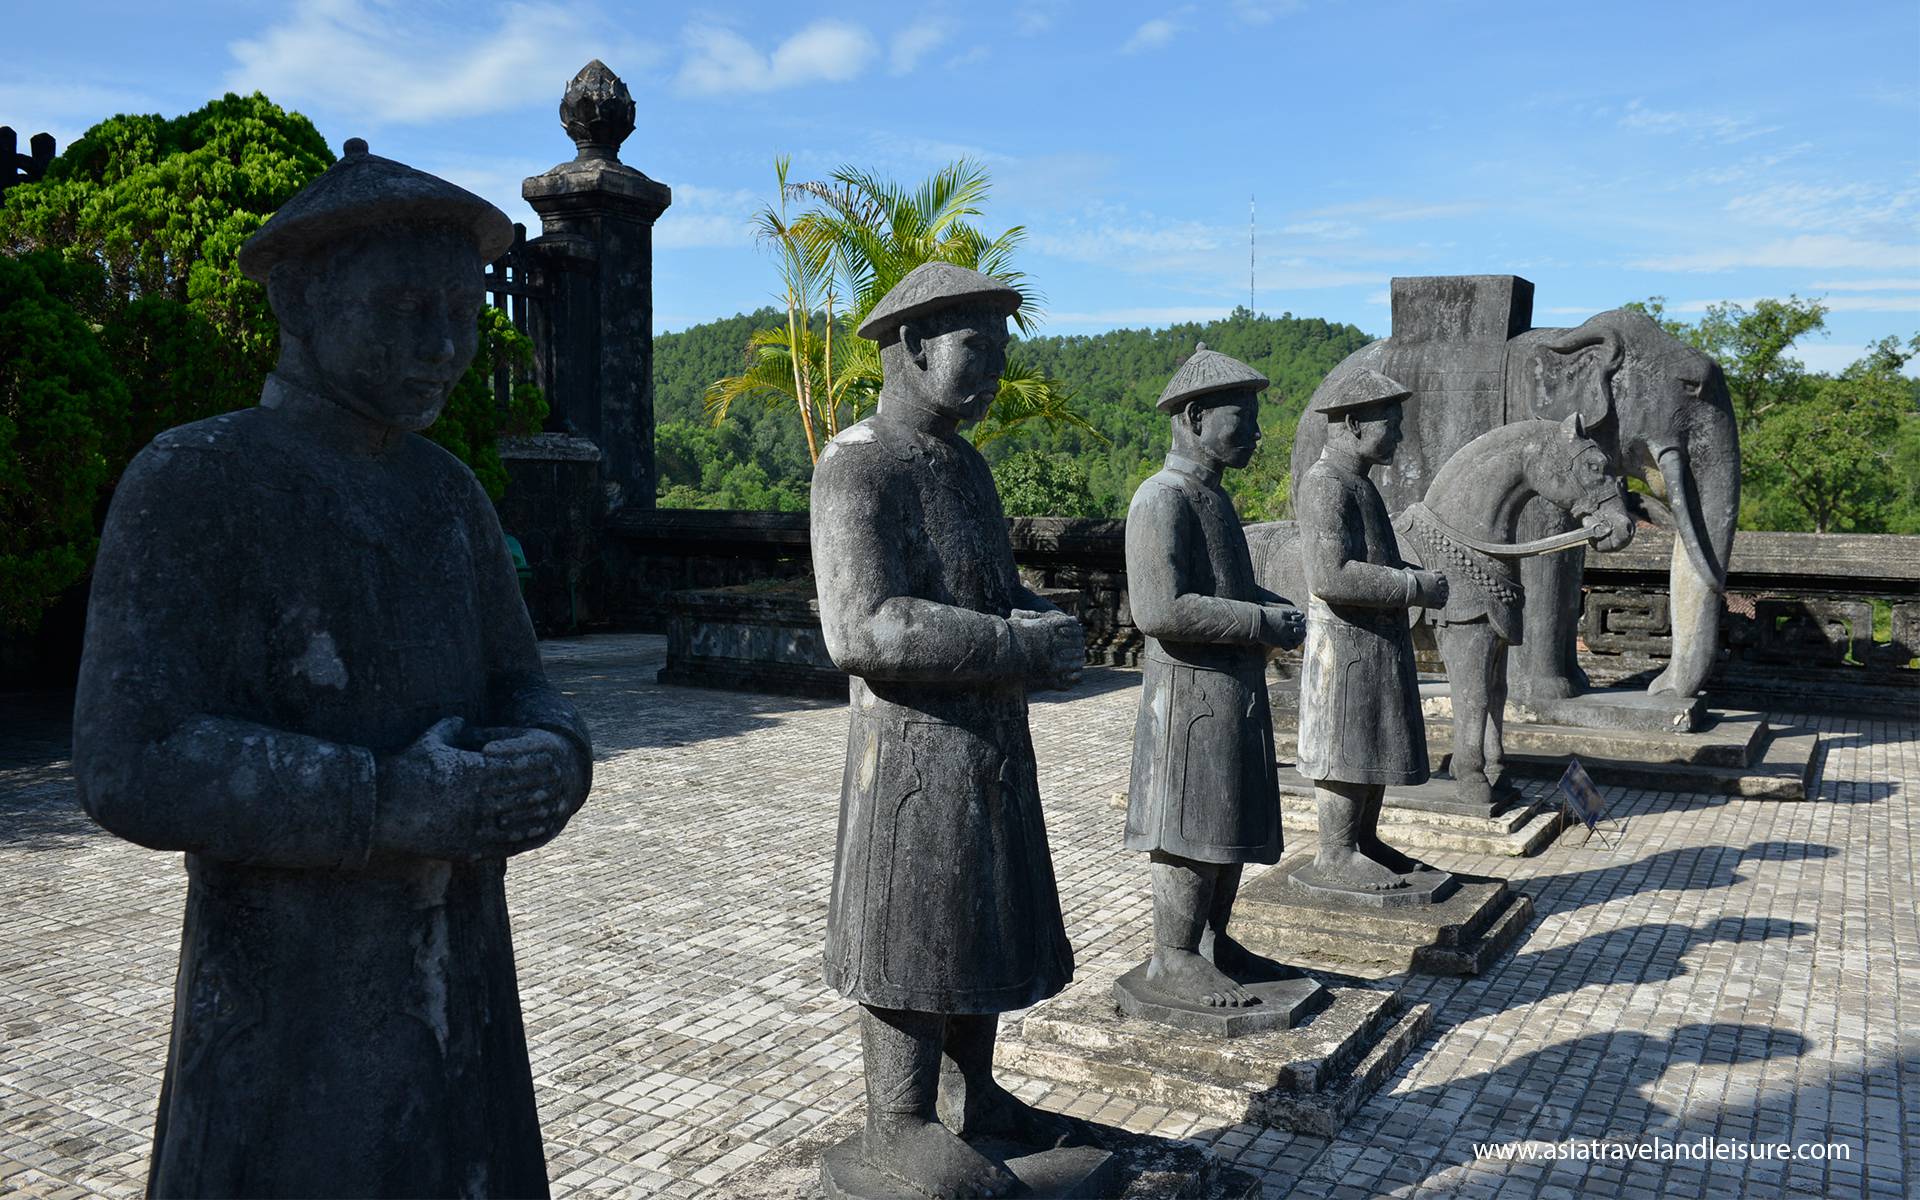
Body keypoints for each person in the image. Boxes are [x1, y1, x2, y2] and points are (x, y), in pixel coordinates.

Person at [71, 139, 591, 1198]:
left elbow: (521, 685)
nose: (444, 342)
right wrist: (388, 798)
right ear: (300, 303)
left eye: (458, 308)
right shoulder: (196, 480)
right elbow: (131, 756)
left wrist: (552, 758)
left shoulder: (449, 495)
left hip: (459, 975)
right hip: (285, 1002)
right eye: (405, 305)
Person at [810, 262, 1085, 1199]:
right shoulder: (857, 465)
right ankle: (898, 1119)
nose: (997, 368)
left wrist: (1039, 619)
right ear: (914, 347)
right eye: (979, 346)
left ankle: (975, 1098)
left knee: (975, 917)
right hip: (911, 750)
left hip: (986, 739)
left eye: (1000, 348)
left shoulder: (963, 466)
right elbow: (863, 626)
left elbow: (994, 588)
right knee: (911, 921)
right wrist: (1016, 639)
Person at [1124, 344, 1305, 1009]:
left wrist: (1269, 605)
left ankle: (1210, 942)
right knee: (1189, 826)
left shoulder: (1211, 499)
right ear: (1195, 416)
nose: (1256, 434)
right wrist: (1260, 625)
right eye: (1244, 419)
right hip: (1190, 694)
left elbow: (1226, 584)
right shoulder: (1162, 497)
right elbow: (1159, 607)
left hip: (1231, 690)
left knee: (1227, 818)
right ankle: (1172, 954)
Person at [1293, 367, 1449, 895]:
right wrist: (1412, 587)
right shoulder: (1324, 484)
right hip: (1344, 644)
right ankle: (1335, 851)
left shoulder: (1359, 485)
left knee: (1374, 739)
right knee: (1347, 742)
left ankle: (1363, 838)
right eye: (1392, 423)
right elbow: (1330, 574)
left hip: (1373, 641)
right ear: (1355, 423)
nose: (1400, 436)